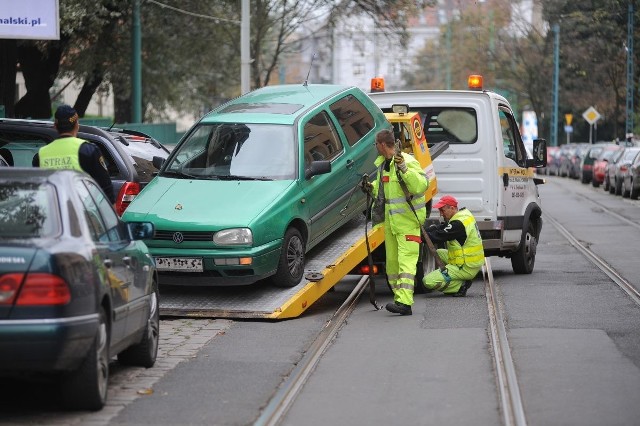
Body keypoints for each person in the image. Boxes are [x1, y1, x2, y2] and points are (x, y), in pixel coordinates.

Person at [363, 129, 428, 316]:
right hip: (392, 224)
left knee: (406, 264)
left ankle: (404, 302)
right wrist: (371, 187)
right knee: (392, 264)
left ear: (382, 145)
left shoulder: (405, 161)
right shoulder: (385, 165)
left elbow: (421, 185)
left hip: (408, 223)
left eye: (376, 144)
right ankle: (398, 295)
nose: (375, 147)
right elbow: (385, 192)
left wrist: (405, 170)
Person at [34, 105, 115, 203]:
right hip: (79, 213)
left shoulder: (41, 154)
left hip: (51, 213)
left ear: (55, 126)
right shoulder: (89, 150)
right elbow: (106, 188)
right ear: (77, 124)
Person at [423, 195, 485, 297]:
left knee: (428, 281)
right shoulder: (463, 216)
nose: (441, 214)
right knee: (438, 253)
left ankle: (460, 284)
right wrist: (424, 230)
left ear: (452, 208)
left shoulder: (458, 224)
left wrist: (418, 237)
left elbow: (438, 235)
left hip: (466, 266)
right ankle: (454, 276)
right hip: (471, 261)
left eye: (442, 210)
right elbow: (442, 228)